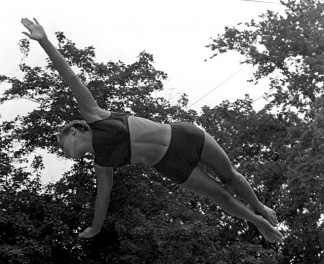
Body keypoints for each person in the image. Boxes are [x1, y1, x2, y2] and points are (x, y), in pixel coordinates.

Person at [21, 18, 283, 245]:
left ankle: (259, 206)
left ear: (76, 131)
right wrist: (96, 226)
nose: (66, 153)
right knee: (219, 195)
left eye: (65, 145)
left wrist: (44, 41)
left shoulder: (95, 116)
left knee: (229, 177)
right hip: (171, 165)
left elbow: (70, 77)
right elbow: (103, 196)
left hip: (183, 136)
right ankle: (258, 222)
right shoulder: (102, 163)